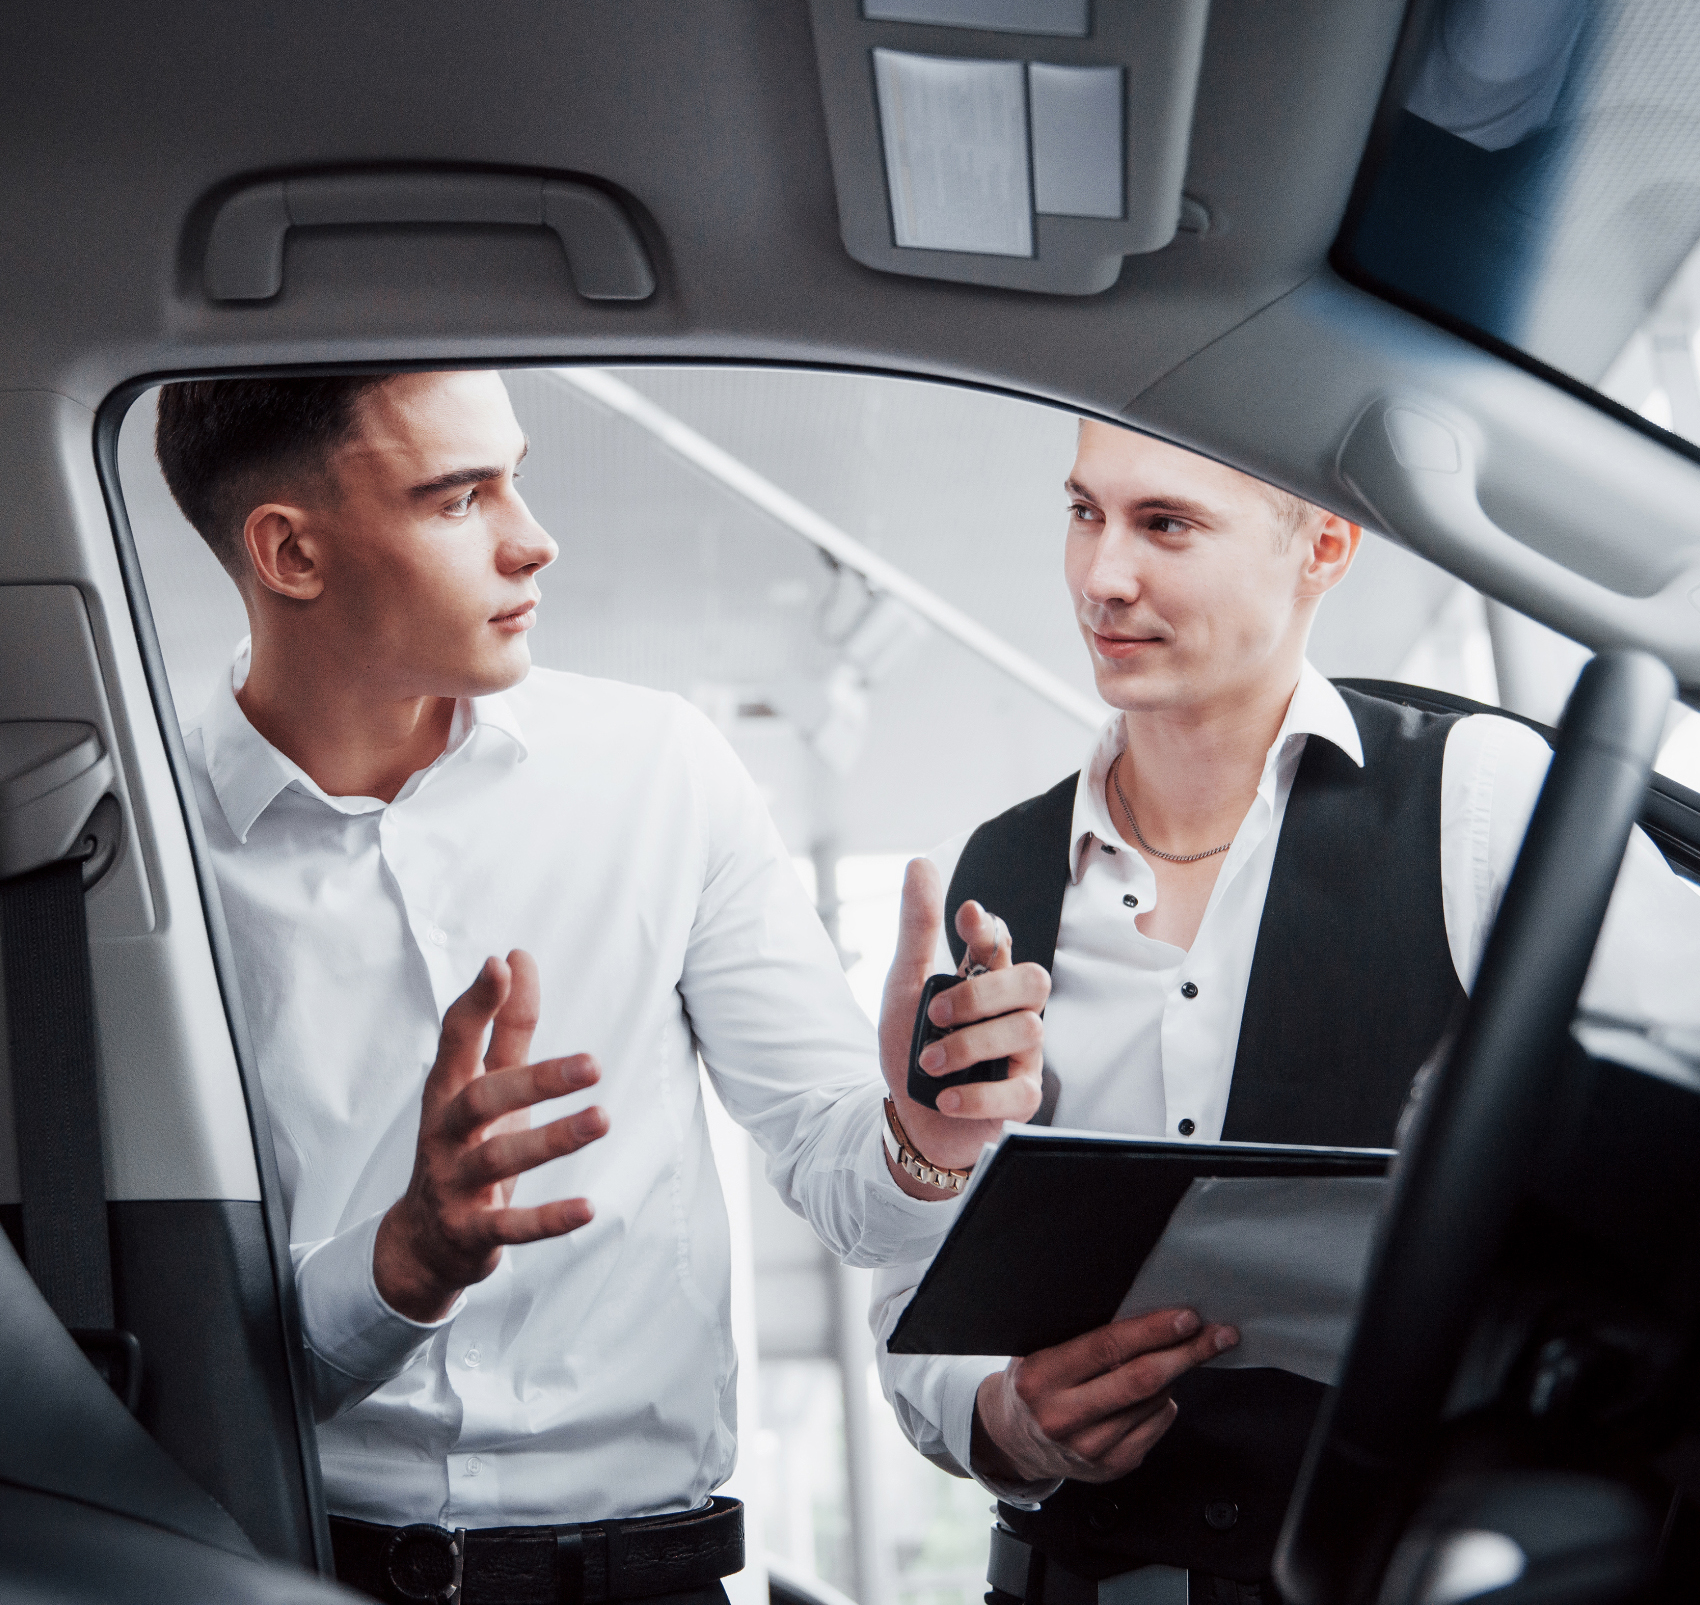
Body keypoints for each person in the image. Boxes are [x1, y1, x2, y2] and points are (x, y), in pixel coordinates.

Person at [152, 371, 1051, 1605]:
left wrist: (927, 1130)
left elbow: (866, 1208)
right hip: (299, 1573)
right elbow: (164, 1365)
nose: (534, 537)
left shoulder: (657, 770)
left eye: (515, 473)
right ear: (290, 550)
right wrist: (399, 1265)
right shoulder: (142, 848)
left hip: (653, 1581)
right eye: (460, 496)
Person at [873, 419, 1698, 1604]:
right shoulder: (995, 873)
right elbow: (910, 1284)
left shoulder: (1478, 797)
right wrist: (1003, 1414)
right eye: (1081, 513)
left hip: (1403, 1566)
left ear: (1323, 544)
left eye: (1164, 524)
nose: (1101, 576)